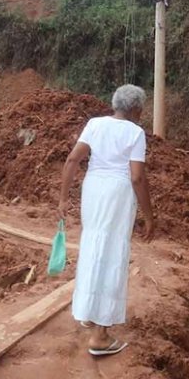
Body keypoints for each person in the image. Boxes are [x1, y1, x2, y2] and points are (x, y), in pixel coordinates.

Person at [58, 84, 154, 357]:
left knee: (92, 247)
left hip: (94, 190)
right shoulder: (135, 133)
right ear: (136, 109)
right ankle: (100, 335)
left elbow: (73, 159)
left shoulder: (94, 124)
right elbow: (136, 177)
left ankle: (89, 312)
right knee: (112, 254)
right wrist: (148, 216)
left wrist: (63, 199)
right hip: (118, 193)